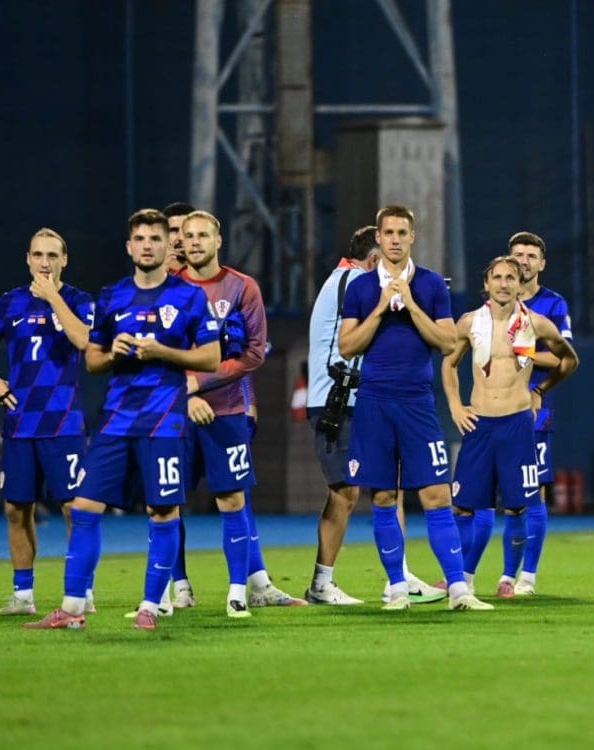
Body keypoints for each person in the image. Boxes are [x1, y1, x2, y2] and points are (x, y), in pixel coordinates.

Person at [25, 209, 221, 630]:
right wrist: (114, 353)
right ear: (129, 247)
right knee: (83, 507)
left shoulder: (189, 297)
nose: (148, 246)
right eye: (141, 239)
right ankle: (72, 609)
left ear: (168, 246)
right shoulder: (111, 296)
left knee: (162, 511)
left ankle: (150, 607)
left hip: (163, 422)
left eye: (156, 239)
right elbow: (93, 361)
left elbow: (211, 357)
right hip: (116, 420)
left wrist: (162, 352)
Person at [337, 204, 490, 611]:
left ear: (412, 237)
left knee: (437, 494)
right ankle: (397, 588)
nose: (395, 240)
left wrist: (410, 303)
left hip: (417, 403)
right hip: (374, 401)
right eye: (388, 233)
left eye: (402, 233)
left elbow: (447, 342)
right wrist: (380, 308)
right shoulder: (361, 288)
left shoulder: (431, 284)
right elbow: (347, 346)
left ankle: (458, 590)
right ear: (379, 238)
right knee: (384, 496)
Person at [170, 210, 307, 610]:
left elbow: (252, 354)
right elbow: (157, 355)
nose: (189, 241)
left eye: (200, 234)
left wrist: (210, 388)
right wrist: (185, 395)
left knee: (234, 498)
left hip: (228, 411)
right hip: (174, 414)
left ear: (218, 240)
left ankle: (244, 591)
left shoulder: (242, 287)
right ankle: (177, 588)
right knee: (165, 502)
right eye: (183, 234)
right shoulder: (165, 289)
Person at [303, 226, 445, 606]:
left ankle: (398, 576)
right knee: (345, 493)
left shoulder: (341, 279)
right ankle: (322, 582)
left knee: (388, 486)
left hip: (355, 399)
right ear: (373, 260)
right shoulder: (355, 282)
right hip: (340, 402)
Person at [0, 228, 96, 616]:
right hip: (20, 423)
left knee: (75, 509)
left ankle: (82, 592)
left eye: (52, 255)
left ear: (65, 260)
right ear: (27, 259)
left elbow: (85, 341)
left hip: (64, 423)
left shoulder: (79, 300)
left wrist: (53, 297)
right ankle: (23, 596)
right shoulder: (10, 302)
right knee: (15, 509)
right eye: (38, 255)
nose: (44, 262)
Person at [442, 256, 578, 593]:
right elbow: (448, 364)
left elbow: (569, 359)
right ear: (486, 283)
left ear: (520, 284)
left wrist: (540, 391)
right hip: (479, 425)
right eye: (497, 277)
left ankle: (508, 578)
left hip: (517, 425)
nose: (503, 284)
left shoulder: (536, 324)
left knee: (518, 507)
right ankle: (463, 581)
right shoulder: (469, 322)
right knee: (463, 506)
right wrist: (456, 406)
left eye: (510, 278)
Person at [495, 231, 575, 598]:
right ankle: (499, 575)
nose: (523, 261)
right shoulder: (497, 299)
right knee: (507, 499)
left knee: (534, 490)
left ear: (542, 263)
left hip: (533, 409)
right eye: (517, 255)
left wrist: (522, 352)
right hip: (495, 407)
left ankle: (527, 576)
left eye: (530, 256)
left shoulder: (553, 304)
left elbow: (562, 357)